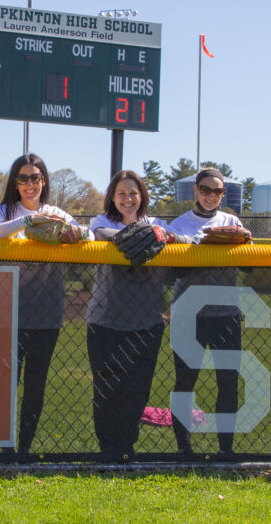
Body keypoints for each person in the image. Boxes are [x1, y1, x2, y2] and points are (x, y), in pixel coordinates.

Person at [0, 153, 90, 454]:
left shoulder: (57, 211)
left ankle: (24, 450)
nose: (29, 184)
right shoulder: (5, 211)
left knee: (35, 383)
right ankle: (6, 449)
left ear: (43, 181)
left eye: (35, 178)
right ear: (15, 183)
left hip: (46, 310)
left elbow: (89, 234)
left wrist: (74, 232)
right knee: (6, 380)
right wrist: (31, 220)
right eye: (23, 179)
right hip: (7, 311)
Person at [87, 170, 187, 456]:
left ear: (142, 196)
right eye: (121, 193)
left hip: (146, 324)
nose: (128, 199)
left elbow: (184, 241)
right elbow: (100, 234)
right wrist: (138, 237)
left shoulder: (156, 224)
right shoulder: (102, 221)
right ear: (112, 197)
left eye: (133, 193)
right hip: (105, 322)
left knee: (136, 393)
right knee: (107, 392)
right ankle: (109, 451)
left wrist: (159, 234)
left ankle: (126, 450)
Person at [166, 168, 246, 456]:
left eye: (217, 191)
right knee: (185, 381)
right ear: (196, 191)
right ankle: (183, 450)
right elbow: (174, 271)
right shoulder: (179, 224)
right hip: (189, 314)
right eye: (205, 190)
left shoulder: (232, 222)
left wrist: (240, 238)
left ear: (223, 194)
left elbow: (248, 264)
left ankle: (226, 450)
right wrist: (201, 247)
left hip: (226, 314)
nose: (211, 196)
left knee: (228, 383)